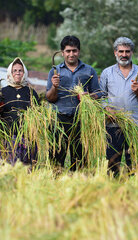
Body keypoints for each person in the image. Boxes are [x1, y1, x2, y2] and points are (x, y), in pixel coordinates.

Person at [46, 35, 101, 170]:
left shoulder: (89, 70)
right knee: (56, 159)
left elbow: (99, 93)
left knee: (80, 159)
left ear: (79, 51)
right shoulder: (55, 71)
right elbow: (50, 98)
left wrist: (89, 96)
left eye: (74, 51)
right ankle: (56, 186)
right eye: (68, 51)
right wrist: (54, 86)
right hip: (58, 120)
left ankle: (78, 186)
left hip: (81, 120)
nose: (71, 54)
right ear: (62, 52)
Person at [100, 37, 138, 176]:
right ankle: (113, 191)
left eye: (127, 51)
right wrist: (106, 108)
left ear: (132, 53)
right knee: (112, 163)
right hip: (112, 124)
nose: (124, 54)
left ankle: (133, 191)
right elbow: (101, 96)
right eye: (121, 51)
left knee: (134, 164)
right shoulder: (107, 72)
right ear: (115, 52)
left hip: (135, 124)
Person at [0, 57, 39, 166]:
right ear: (10, 73)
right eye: (15, 71)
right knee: (7, 167)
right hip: (7, 137)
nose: (17, 73)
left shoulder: (31, 92)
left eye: (20, 70)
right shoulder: (3, 92)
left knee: (26, 169)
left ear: (24, 73)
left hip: (26, 138)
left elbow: (38, 113)